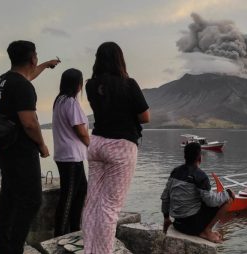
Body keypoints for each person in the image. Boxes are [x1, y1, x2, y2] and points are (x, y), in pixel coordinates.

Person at [82, 41, 150, 253]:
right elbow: (145, 117)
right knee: (110, 207)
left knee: (92, 203)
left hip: (96, 144)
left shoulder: (90, 85)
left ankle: (89, 250)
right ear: (120, 59)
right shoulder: (128, 84)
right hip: (120, 147)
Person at [0, 40, 60, 254]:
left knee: (10, 196)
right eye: (37, 56)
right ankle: (14, 249)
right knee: (31, 200)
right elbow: (30, 123)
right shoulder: (23, 87)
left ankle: (3, 246)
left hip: (5, 148)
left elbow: (28, 75)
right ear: (32, 58)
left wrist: (47, 65)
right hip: (21, 151)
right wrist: (42, 145)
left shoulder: (3, 79)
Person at [161, 143, 234, 243]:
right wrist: (227, 193)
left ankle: (204, 230)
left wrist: (166, 218)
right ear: (200, 157)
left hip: (178, 224)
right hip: (192, 227)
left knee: (200, 198)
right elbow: (211, 201)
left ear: (185, 156)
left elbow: (165, 197)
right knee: (227, 200)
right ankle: (207, 231)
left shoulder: (175, 172)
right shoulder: (200, 175)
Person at [52, 68, 89, 236]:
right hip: (71, 156)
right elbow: (80, 130)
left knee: (81, 191)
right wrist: (92, 145)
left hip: (65, 154)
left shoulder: (59, 100)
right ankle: (59, 236)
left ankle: (74, 230)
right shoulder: (71, 102)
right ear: (78, 85)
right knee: (69, 196)